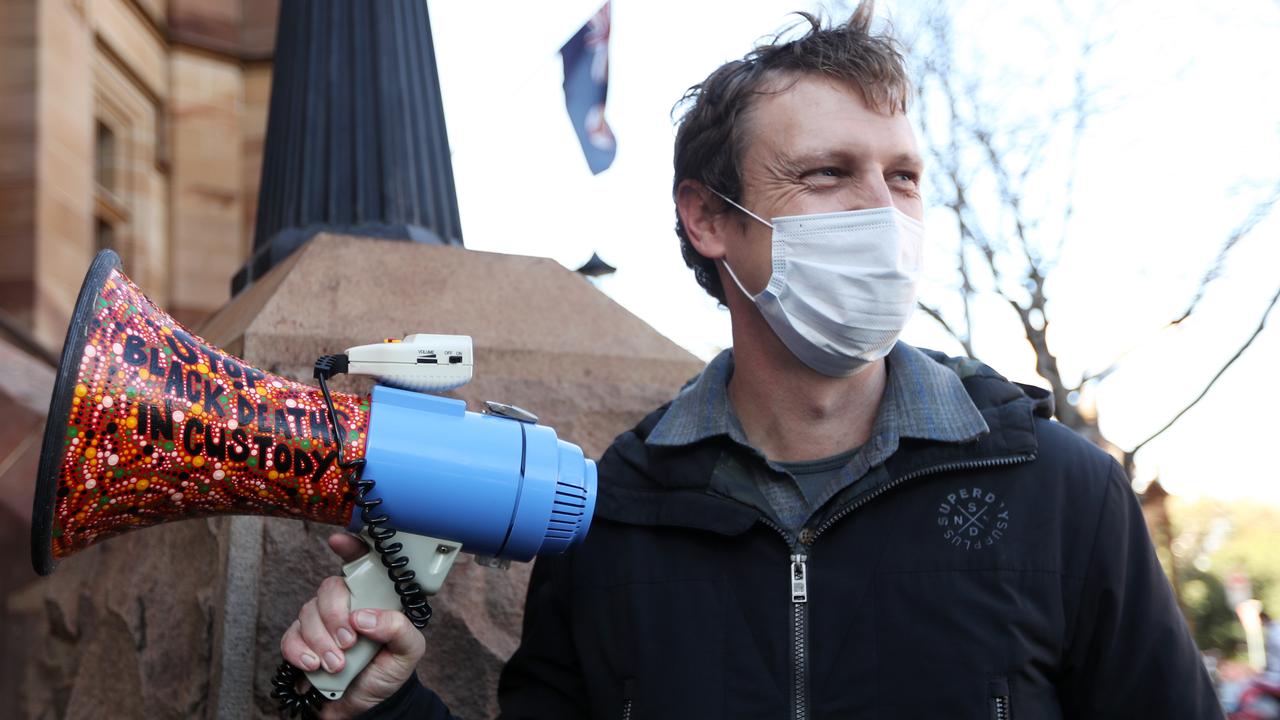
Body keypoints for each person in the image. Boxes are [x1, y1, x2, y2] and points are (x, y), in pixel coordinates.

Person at [280, 5, 1222, 718]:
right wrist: (390, 701)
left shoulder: (1062, 494)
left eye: (903, 177)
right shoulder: (617, 515)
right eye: (828, 174)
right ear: (711, 219)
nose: (883, 214)